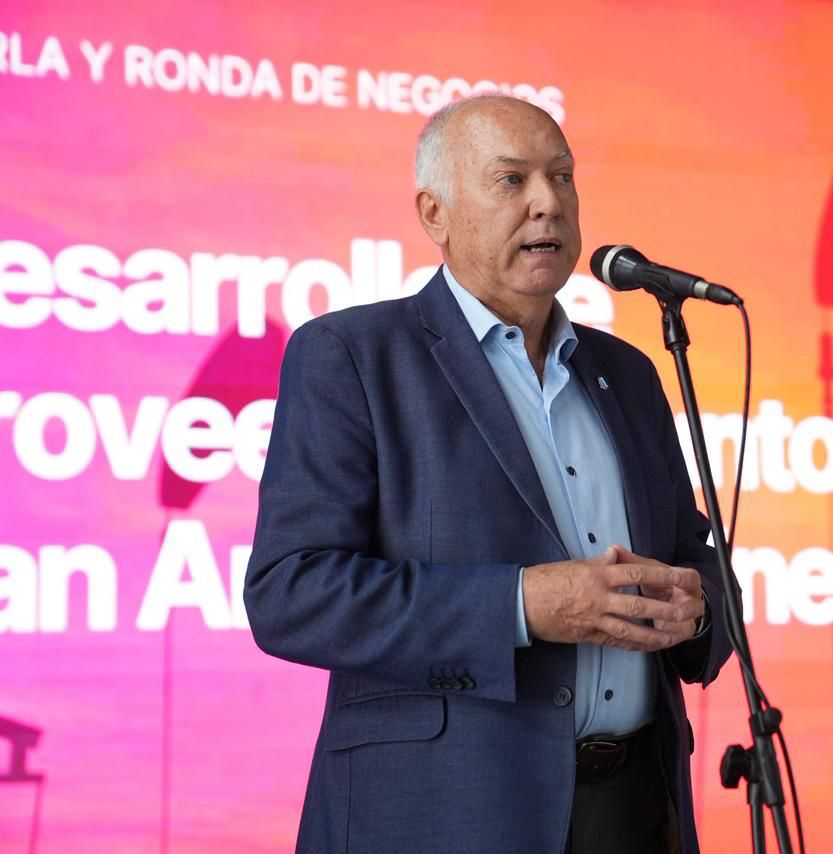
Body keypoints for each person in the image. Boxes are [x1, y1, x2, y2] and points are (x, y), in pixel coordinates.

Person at [244, 94, 734, 854]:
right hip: (446, 811)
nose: (549, 202)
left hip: (636, 807)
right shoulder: (352, 356)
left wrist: (696, 611)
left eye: (562, 176)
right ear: (434, 214)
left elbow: (695, 559)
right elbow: (292, 594)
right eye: (512, 180)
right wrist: (519, 605)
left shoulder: (628, 373)